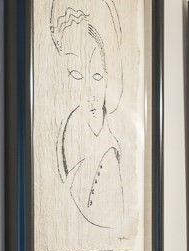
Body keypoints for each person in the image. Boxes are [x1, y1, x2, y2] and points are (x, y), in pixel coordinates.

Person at [50, 0, 126, 232]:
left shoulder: (109, 152)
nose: (89, 92)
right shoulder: (66, 130)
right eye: (75, 73)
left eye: (96, 76)